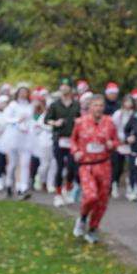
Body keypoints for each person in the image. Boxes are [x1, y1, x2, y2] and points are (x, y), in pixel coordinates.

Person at [71, 94, 119, 244]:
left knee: (102, 200)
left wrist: (113, 144)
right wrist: (76, 151)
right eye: (95, 105)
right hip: (86, 165)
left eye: (101, 106)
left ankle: (92, 229)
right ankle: (83, 218)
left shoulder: (110, 122)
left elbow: (116, 140)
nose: (98, 108)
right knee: (91, 196)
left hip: (104, 164)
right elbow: (73, 141)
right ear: (89, 107)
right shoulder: (80, 122)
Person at [45, 79, 81, 207]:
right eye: (62, 86)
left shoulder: (76, 104)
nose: (65, 89)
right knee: (59, 167)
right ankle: (58, 194)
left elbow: (81, 116)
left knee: (72, 166)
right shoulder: (55, 105)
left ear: (70, 89)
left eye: (67, 87)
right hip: (59, 139)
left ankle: (68, 187)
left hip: (73, 139)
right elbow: (46, 120)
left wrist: (79, 120)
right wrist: (55, 123)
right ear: (60, 89)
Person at [0, 84, 35, 199]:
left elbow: (31, 120)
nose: (24, 94)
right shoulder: (13, 105)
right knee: (13, 164)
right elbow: (6, 119)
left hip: (26, 137)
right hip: (13, 137)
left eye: (26, 92)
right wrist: (17, 120)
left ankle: (22, 187)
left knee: (24, 163)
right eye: (22, 91)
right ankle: (9, 183)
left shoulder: (30, 106)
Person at [111, 92, 135, 199]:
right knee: (118, 167)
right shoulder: (117, 114)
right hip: (119, 143)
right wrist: (119, 139)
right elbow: (113, 128)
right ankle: (114, 185)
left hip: (131, 144)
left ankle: (130, 187)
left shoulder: (134, 114)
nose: (128, 104)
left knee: (131, 167)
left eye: (130, 101)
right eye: (127, 101)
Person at [31, 98, 57, 193]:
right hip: (44, 143)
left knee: (54, 164)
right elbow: (39, 128)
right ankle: (40, 178)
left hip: (55, 143)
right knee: (45, 164)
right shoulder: (43, 116)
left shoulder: (57, 116)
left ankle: (50, 184)